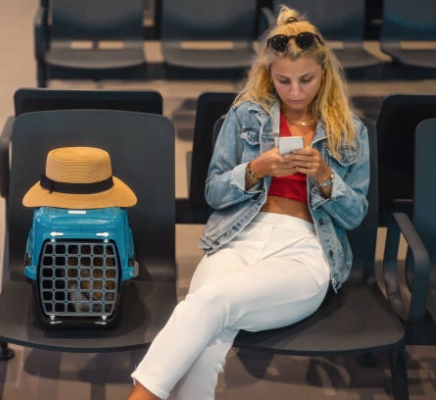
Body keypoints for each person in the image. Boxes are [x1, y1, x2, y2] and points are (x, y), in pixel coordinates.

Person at [128, 5, 370, 400]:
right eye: (283, 81)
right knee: (208, 330)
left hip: (305, 248)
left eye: (305, 80)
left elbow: (356, 214)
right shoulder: (245, 116)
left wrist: (326, 177)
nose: (294, 91)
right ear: (268, 74)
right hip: (240, 236)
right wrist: (256, 168)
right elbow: (213, 193)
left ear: (324, 73)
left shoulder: (350, 130)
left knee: (207, 304)